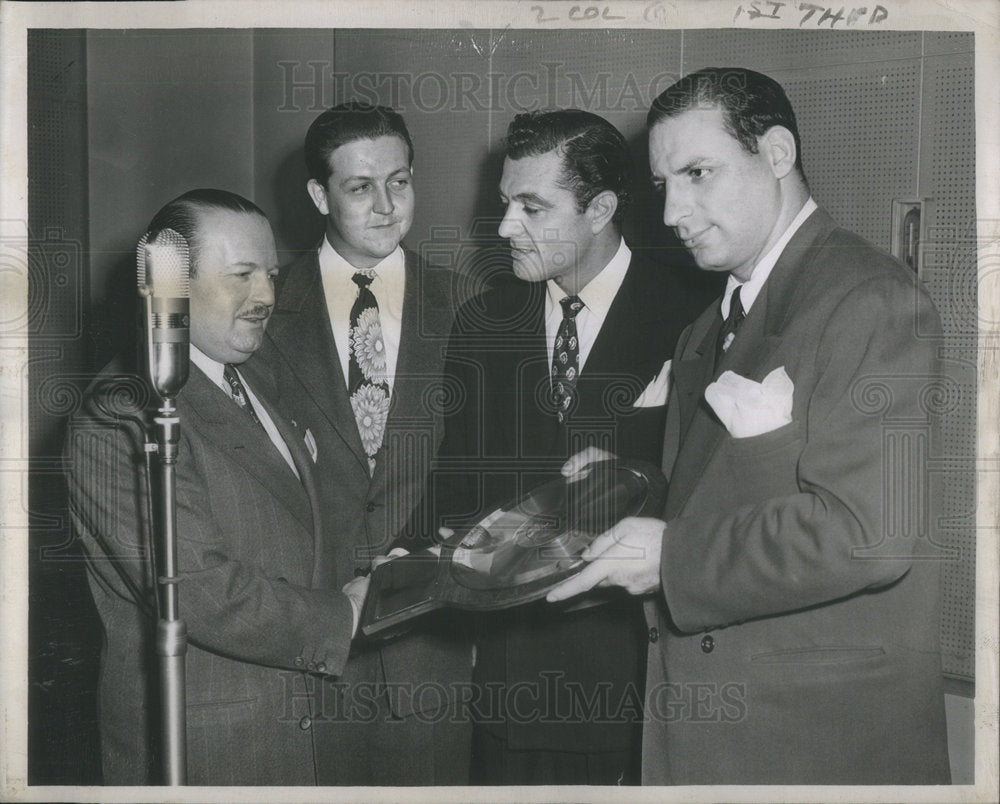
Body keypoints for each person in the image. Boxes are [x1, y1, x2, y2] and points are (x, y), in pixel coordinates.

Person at [548, 67, 951, 785]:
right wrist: (622, 490)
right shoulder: (704, 331)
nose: (674, 211)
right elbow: (720, 499)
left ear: (776, 154)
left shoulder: (871, 300)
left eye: (699, 173)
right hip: (711, 733)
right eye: (665, 184)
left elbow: (868, 535)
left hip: (815, 745)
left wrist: (671, 558)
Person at [430, 109, 715, 785]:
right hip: (512, 689)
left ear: (602, 209)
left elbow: (721, 494)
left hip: (647, 684)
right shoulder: (481, 324)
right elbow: (458, 485)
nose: (504, 229)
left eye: (532, 207)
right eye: (505, 204)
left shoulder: (694, 315)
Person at [65, 189, 368, 785]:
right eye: (242, 275)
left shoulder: (261, 375)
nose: (266, 297)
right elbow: (198, 590)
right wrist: (344, 616)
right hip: (208, 750)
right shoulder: (120, 417)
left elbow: (300, 523)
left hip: (307, 735)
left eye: (271, 274)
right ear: (168, 286)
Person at [252, 102, 472, 785]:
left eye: (400, 182)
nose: (386, 207)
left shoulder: (471, 306)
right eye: (359, 187)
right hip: (303, 648)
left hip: (433, 647)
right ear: (318, 194)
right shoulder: (258, 311)